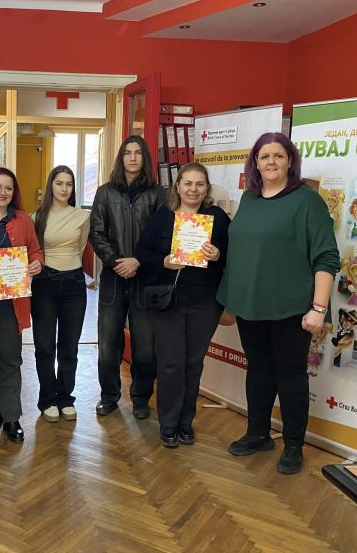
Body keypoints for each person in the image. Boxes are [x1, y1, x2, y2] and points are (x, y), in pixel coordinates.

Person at [217, 132, 339, 475]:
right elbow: (243, 250)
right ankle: (258, 433)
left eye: (278, 156)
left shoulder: (307, 201)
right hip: (251, 305)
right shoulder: (250, 198)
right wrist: (230, 298)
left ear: (290, 161)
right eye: (264, 156)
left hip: (292, 308)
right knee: (258, 370)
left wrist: (318, 308)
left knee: (290, 375)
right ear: (255, 163)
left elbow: (327, 258)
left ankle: (294, 445)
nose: (271, 162)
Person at [135, 162, 229, 447]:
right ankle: (168, 422)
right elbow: (142, 253)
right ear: (177, 186)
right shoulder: (163, 217)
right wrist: (163, 261)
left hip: (205, 303)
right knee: (170, 363)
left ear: (207, 188)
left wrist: (218, 255)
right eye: (188, 183)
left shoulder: (218, 218)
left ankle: (185, 422)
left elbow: (234, 256)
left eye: (199, 184)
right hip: (169, 302)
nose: (193, 189)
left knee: (193, 364)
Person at [89, 135, 168, 418]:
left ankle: (140, 398)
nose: (132, 158)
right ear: (120, 158)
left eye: (138, 153)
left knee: (145, 347)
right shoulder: (104, 193)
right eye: (127, 153)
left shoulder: (158, 194)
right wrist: (115, 261)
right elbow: (96, 233)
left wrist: (139, 261)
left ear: (145, 158)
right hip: (113, 277)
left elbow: (163, 237)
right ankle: (109, 396)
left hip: (146, 279)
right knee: (108, 344)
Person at [0, 168, 43, 443]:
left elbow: (36, 250)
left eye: (8, 188)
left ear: (14, 192)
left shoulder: (23, 219)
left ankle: (11, 416)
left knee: (10, 360)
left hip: (11, 303)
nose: (2, 192)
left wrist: (37, 263)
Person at [31, 165, 90, 422]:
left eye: (69, 184)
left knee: (69, 345)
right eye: (59, 183)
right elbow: (33, 251)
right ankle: (47, 399)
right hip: (44, 283)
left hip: (74, 283)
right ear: (51, 186)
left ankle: (65, 397)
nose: (64, 188)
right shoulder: (36, 216)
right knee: (45, 346)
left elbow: (81, 246)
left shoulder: (82, 217)